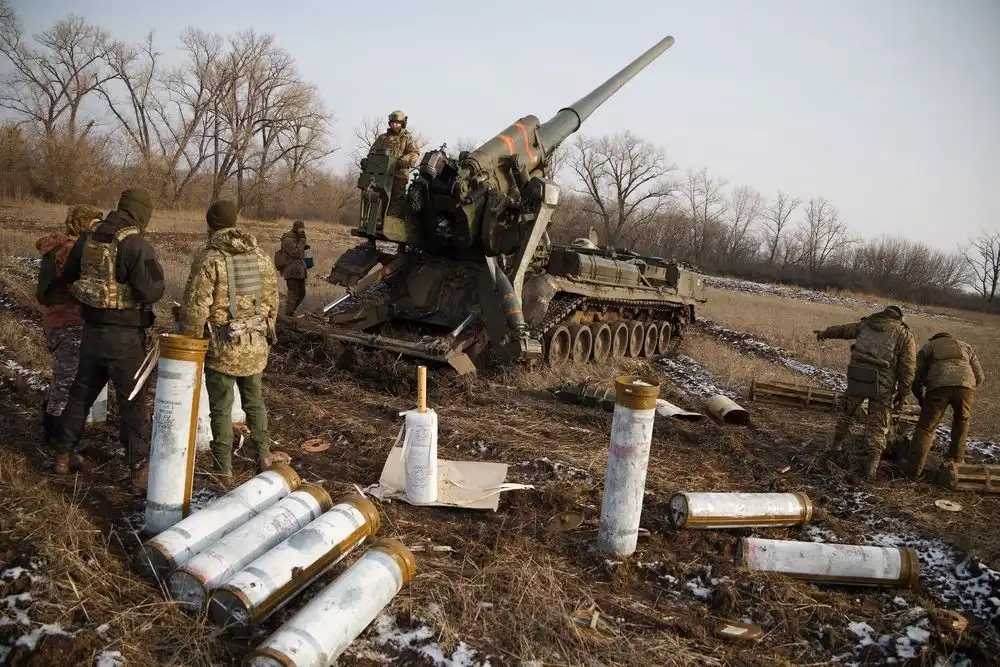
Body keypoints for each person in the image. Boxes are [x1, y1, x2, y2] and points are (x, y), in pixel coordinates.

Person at [51, 188, 165, 491]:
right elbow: (151, 291)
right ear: (142, 213)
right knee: (133, 403)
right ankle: (139, 470)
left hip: (91, 332)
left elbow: (69, 276)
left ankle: (63, 455)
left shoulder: (89, 237)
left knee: (81, 394)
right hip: (125, 337)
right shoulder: (136, 243)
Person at [179, 200, 278, 477]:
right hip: (255, 346)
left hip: (223, 350)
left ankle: (223, 470)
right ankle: (264, 458)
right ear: (235, 221)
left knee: (221, 410)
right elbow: (272, 302)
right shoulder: (260, 256)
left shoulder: (210, 258)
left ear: (210, 224)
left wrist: (191, 344)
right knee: (255, 403)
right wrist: (266, 337)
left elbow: (196, 306)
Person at [814, 304, 916, 481]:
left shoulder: (866, 324)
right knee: (878, 424)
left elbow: (844, 330)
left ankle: (835, 447)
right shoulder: (904, 333)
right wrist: (903, 392)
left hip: (858, 376)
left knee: (847, 411)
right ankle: (871, 468)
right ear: (899, 318)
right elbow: (908, 367)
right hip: (883, 384)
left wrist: (824, 333)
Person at [35, 204, 103, 450]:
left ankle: (52, 430)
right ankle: (57, 437)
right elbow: (79, 285)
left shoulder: (59, 247)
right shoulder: (70, 249)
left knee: (62, 378)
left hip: (58, 320)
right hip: (68, 322)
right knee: (67, 382)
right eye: (93, 224)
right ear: (82, 224)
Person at [904, 332, 985, 479]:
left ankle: (913, 471)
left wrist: (920, 397)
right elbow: (980, 376)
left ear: (935, 339)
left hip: (938, 387)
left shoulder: (928, 348)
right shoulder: (965, 346)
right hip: (966, 386)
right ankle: (956, 463)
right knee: (962, 421)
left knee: (926, 428)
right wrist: (967, 388)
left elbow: (915, 377)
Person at [369, 110, 420, 216]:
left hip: (399, 175)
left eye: (397, 122)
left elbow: (415, 153)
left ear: (402, 124)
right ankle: (379, 224)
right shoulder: (383, 138)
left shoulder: (407, 138)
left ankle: (389, 227)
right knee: (380, 200)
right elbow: (372, 152)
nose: (394, 124)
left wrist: (401, 161)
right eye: (392, 122)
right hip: (383, 175)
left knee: (397, 201)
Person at [279, 220, 308, 316]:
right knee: (293, 295)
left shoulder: (298, 238)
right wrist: (302, 241)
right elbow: (295, 253)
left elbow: (299, 253)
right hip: (291, 271)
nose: (302, 230)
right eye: (300, 228)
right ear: (295, 228)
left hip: (299, 271)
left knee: (301, 294)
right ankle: (288, 315)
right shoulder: (287, 238)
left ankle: (291, 312)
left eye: (303, 228)